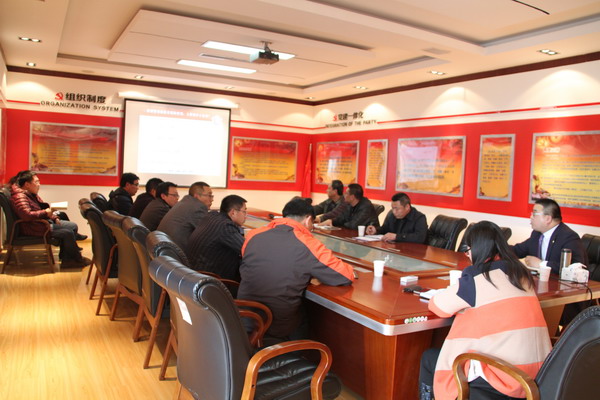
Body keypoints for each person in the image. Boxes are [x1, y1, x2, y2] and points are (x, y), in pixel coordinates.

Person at [419, 221, 551, 400]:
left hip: (504, 375)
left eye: (468, 249)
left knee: (429, 358)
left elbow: (439, 307)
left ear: (477, 249)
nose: (467, 254)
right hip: (537, 374)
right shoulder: (521, 275)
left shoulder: (477, 278)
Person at [238, 198, 354, 341]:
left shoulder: (252, 235)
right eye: (312, 224)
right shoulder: (308, 242)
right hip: (276, 324)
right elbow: (345, 276)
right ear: (308, 219)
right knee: (307, 318)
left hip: (245, 318)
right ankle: (300, 351)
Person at [9, 170, 91, 268]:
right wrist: (45, 212)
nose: (39, 184)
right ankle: (72, 259)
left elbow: (42, 209)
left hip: (38, 225)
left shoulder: (29, 194)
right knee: (67, 232)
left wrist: (54, 217)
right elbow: (26, 215)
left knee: (72, 226)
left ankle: (67, 257)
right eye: (36, 182)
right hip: (33, 228)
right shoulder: (20, 196)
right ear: (27, 184)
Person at [511, 198, 587, 274]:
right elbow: (517, 250)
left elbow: (575, 268)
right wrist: (502, 246)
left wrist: (541, 264)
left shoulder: (568, 237)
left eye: (534, 214)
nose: (531, 217)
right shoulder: (537, 234)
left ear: (548, 219)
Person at [186, 195, 247, 281]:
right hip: (211, 280)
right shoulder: (226, 227)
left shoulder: (212, 216)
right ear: (233, 212)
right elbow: (247, 249)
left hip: (195, 273)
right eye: (244, 211)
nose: (246, 216)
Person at [158, 182, 213, 251]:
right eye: (209, 195)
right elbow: (208, 235)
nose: (212, 199)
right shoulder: (198, 207)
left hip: (165, 250)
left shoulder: (185, 203)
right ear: (196, 196)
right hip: (176, 253)